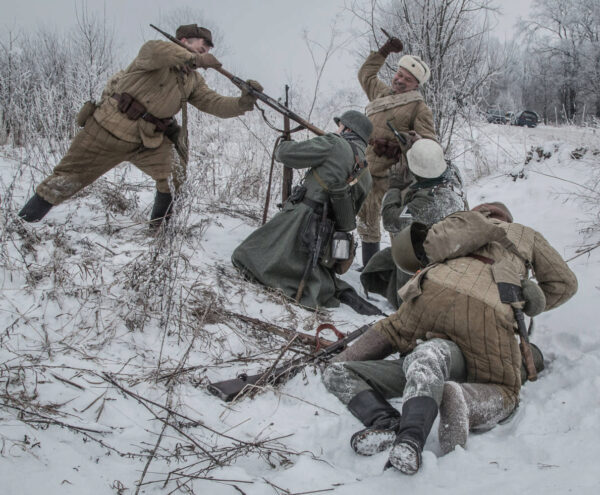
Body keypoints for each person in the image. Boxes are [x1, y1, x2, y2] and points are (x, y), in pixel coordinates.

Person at [322, 202, 577, 474]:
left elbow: (414, 255)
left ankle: (372, 405)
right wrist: (524, 303)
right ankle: (464, 401)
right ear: (506, 217)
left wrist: (345, 356)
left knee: (389, 332)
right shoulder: (525, 233)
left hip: (430, 295)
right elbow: (565, 284)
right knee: (505, 388)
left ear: (480, 213)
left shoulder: (458, 225)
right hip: (487, 311)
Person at [18, 24, 263, 227]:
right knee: (65, 181)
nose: (207, 48)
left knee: (173, 177)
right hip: (108, 130)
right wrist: (194, 58)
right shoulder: (155, 51)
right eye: (203, 44)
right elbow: (159, 52)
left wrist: (244, 101)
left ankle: (159, 232)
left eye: (209, 47)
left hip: (148, 141)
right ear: (184, 39)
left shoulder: (192, 79)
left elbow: (214, 104)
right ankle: (22, 225)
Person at [232, 110, 378, 314]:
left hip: (300, 220)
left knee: (244, 256)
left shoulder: (335, 143)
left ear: (347, 128)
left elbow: (286, 155)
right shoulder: (367, 173)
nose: (337, 129)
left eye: (340, 126)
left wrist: (284, 144)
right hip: (326, 235)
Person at [357, 36, 437, 267]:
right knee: (367, 223)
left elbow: (429, 146)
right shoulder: (382, 95)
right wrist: (383, 51)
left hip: (395, 180)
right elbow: (366, 75)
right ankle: (369, 272)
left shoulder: (419, 109)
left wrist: (407, 143)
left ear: (415, 84)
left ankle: (399, 276)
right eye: (399, 75)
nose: (400, 80)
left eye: (407, 79)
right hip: (367, 171)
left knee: (397, 229)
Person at [360, 138, 468, 308]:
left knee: (395, 260)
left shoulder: (426, 203)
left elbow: (391, 221)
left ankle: (406, 304)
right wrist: (417, 143)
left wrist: (394, 188)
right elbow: (433, 160)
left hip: (430, 264)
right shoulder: (453, 174)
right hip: (453, 253)